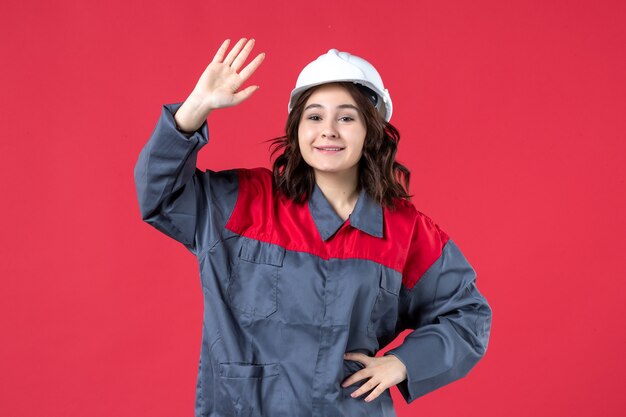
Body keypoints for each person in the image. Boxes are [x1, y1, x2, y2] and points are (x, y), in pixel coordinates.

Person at [134, 38, 492, 417]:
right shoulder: (244, 202)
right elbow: (160, 195)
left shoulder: (406, 232)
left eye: (347, 117)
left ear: (372, 131)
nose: (329, 131)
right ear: (296, 129)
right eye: (315, 116)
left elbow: (468, 316)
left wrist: (404, 364)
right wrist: (195, 109)